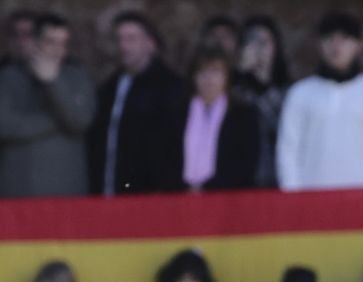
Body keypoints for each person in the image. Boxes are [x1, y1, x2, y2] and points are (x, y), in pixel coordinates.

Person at [277, 12, 363, 191]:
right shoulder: (300, 94)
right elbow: (288, 151)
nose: (336, 46)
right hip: (311, 197)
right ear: (320, 45)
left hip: (362, 199)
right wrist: (294, 197)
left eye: (345, 39)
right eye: (329, 39)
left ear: (358, 45)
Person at [88, 10, 189, 196]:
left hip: (149, 196)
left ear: (150, 44)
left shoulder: (170, 87)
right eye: (119, 39)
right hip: (110, 191)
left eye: (131, 38)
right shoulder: (109, 87)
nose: (123, 46)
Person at [0, 13, 94, 198]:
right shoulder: (7, 78)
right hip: (19, 192)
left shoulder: (78, 77)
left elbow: (80, 121)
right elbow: (5, 126)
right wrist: (57, 123)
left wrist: (53, 83)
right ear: (34, 42)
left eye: (63, 43)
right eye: (50, 42)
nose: (57, 50)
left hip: (67, 192)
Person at [179, 46, 260, 191]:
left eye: (215, 72)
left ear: (226, 77)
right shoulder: (178, 114)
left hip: (228, 198)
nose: (209, 79)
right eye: (202, 72)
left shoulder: (243, 115)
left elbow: (245, 163)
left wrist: (208, 187)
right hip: (181, 197)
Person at [232, 16, 290, 188]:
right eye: (252, 41)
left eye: (265, 42)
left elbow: (281, 125)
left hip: (277, 179)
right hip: (240, 181)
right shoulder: (234, 89)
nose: (259, 48)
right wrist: (240, 72)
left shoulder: (289, 92)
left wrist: (261, 83)